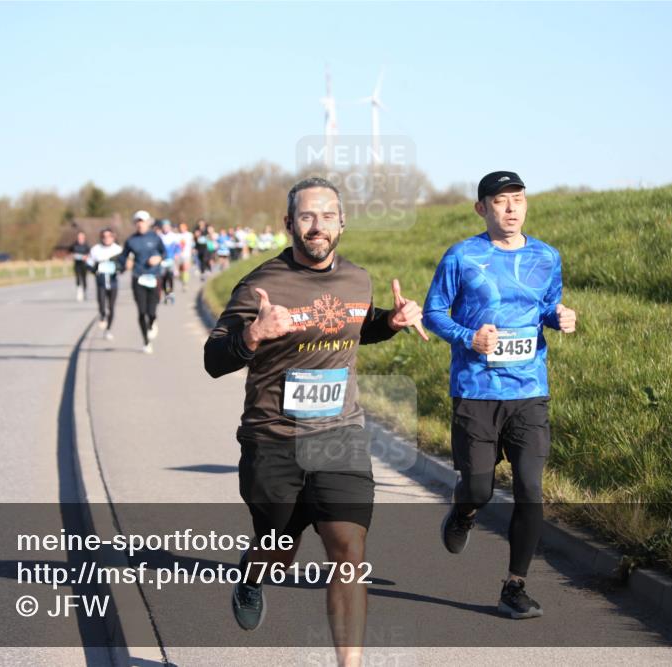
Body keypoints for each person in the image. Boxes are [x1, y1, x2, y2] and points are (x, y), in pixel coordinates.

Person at [204, 176, 426, 667]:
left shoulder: (358, 279)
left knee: (348, 550)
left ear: (342, 223)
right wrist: (253, 335)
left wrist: (389, 323)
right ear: (289, 224)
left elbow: (352, 325)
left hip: (338, 435)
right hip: (273, 438)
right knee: (279, 551)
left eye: (327, 216)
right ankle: (252, 574)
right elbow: (213, 359)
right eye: (306, 216)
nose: (317, 225)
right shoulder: (259, 286)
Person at [422, 171, 576, 620]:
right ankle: (464, 512)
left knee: (530, 489)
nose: (511, 209)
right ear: (481, 208)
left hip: (529, 390)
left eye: (518, 200)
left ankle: (515, 586)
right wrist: (469, 337)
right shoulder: (462, 256)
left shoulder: (546, 256)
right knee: (478, 488)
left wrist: (559, 317)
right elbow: (434, 313)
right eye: (500, 201)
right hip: (475, 389)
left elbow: (545, 306)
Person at [119, 210, 166, 354]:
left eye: (143, 221)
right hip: (138, 277)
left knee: (151, 312)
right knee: (141, 312)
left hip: (154, 277)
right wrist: (125, 263)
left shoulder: (155, 237)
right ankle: (146, 341)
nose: (140, 224)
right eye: (138, 221)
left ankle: (152, 322)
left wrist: (158, 258)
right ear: (135, 223)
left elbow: (164, 252)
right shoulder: (131, 240)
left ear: (147, 223)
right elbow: (123, 257)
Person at [86, 228, 123, 340]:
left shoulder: (118, 249)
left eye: (109, 236)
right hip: (101, 281)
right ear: (101, 238)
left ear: (113, 237)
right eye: (104, 237)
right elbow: (89, 263)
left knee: (111, 307)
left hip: (113, 281)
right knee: (102, 304)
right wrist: (94, 270)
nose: (106, 239)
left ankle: (108, 330)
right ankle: (102, 316)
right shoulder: (95, 249)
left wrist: (119, 269)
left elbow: (123, 264)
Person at [157, 220, 179, 304]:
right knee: (162, 278)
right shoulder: (159, 236)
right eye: (164, 226)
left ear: (170, 227)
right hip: (162, 260)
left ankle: (171, 292)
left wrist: (176, 254)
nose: (165, 228)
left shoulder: (173, 236)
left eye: (167, 226)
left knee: (170, 276)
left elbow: (178, 247)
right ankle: (166, 293)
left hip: (171, 260)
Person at [70, 231, 90, 302]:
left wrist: (86, 256)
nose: (80, 238)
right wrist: (72, 255)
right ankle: (79, 292)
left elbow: (90, 254)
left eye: (81, 237)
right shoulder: (74, 245)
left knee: (84, 278)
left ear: (84, 238)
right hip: (77, 264)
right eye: (79, 237)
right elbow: (70, 252)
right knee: (78, 278)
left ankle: (85, 292)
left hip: (84, 264)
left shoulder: (86, 245)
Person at [177, 222, 194, 292]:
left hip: (187, 255)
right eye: (180, 227)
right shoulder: (177, 235)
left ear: (186, 227)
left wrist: (192, 250)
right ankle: (182, 279)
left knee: (185, 268)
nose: (181, 228)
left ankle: (185, 284)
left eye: (183, 227)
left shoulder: (189, 235)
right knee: (180, 270)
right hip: (179, 255)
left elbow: (192, 243)